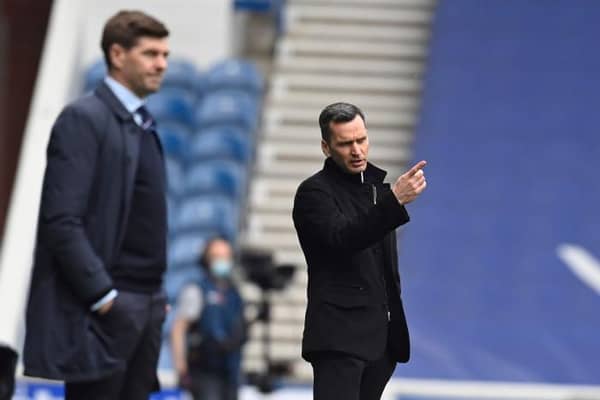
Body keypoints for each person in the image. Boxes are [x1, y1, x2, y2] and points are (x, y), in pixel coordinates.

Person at [23, 10, 170, 400]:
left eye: (165, 55)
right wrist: (105, 298)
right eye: (151, 53)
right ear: (118, 55)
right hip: (109, 309)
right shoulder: (83, 118)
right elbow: (61, 220)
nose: (162, 64)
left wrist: (155, 300)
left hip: (146, 305)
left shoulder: (143, 123)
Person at [292, 102, 427, 400]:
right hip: (338, 339)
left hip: (380, 340)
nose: (357, 150)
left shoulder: (377, 190)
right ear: (326, 147)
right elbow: (343, 239)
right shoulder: (314, 193)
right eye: (345, 143)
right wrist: (394, 202)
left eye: (361, 139)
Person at [170, 237, 246, 400]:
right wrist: (181, 368)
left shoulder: (234, 293)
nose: (222, 261)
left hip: (229, 371)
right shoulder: (197, 289)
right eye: (217, 256)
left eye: (226, 256)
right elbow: (179, 328)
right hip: (204, 372)